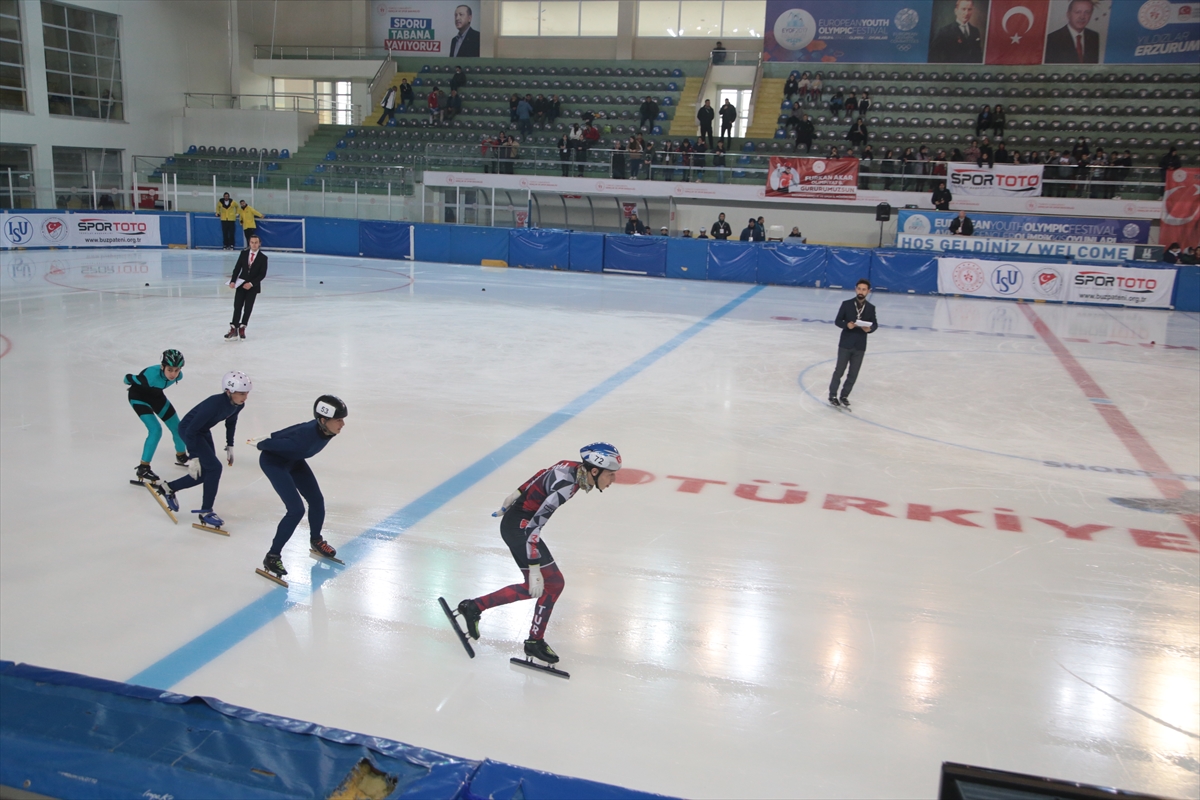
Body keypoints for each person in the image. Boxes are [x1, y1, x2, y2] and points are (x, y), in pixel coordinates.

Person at [454, 443, 622, 667]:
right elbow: (534, 528)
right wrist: (534, 569)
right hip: (520, 528)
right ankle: (526, 636)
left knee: (550, 584)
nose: (613, 480)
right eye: (610, 475)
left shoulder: (570, 466)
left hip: (519, 523)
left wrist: (515, 494)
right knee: (548, 584)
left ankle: (478, 608)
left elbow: (542, 473)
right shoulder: (567, 487)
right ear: (594, 471)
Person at [256, 395, 347, 583]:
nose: (342, 424)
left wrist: (274, 435)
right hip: (274, 463)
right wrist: (262, 442)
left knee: (317, 501)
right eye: (338, 420)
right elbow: (273, 443)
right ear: (323, 420)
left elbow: (295, 428)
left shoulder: (325, 430)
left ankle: (316, 540)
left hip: (294, 460)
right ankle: (272, 556)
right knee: (296, 510)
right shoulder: (305, 438)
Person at [154, 371, 252, 531]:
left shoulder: (238, 405)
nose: (245, 397)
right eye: (241, 394)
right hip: (190, 430)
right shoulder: (214, 404)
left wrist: (230, 444)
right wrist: (193, 457)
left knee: (206, 473)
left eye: (246, 393)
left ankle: (168, 488)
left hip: (203, 431)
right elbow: (191, 430)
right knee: (214, 468)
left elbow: (231, 422)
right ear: (229, 391)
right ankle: (206, 511)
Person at [126, 349, 189, 485]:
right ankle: (143, 468)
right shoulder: (150, 375)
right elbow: (127, 378)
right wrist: (131, 379)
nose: (173, 374)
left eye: (177, 370)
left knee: (178, 428)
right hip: (138, 397)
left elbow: (164, 383)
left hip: (156, 397)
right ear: (162, 367)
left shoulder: (179, 376)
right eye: (170, 370)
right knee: (155, 430)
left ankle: (181, 456)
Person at [828, 280, 877, 409]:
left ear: (868, 291)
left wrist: (870, 329)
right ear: (856, 289)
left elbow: (875, 324)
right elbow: (838, 321)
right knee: (839, 371)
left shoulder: (871, 308)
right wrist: (846, 325)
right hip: (846, 343)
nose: (861, 292)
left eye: (864, 289)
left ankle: (844, 395)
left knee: (853, 373)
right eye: (859, 289)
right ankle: (832, 395)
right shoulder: (847, 304)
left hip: (860, 345)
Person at [225, 233, 267, 340]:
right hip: (241, 284)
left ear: (259, 244)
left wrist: (251, 284)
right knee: (237, 306)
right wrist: (233, 281)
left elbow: (262, 274)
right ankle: (234, 328)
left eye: (256, 243)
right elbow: (237, 268)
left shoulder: (263, 258)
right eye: (252, 242)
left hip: (253, 287)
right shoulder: (243, 253)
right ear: (249, 243)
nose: (254, 245)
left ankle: (243, 327)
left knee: (248, 308)